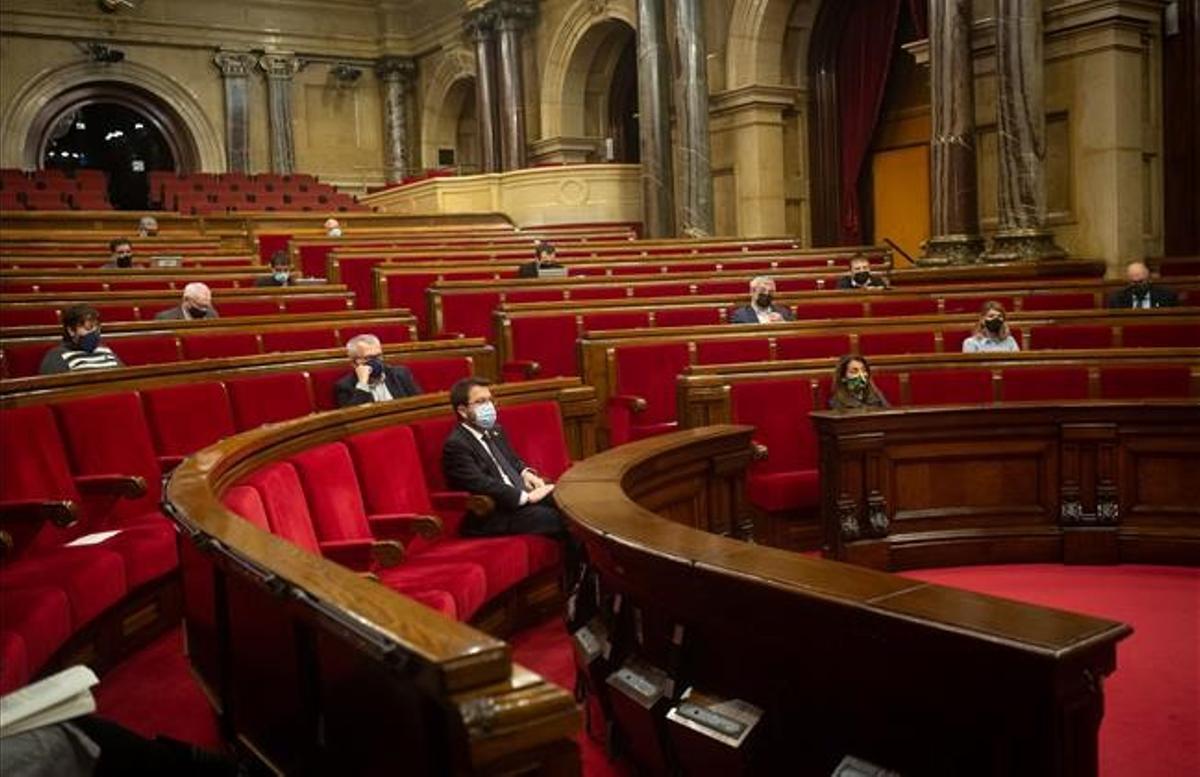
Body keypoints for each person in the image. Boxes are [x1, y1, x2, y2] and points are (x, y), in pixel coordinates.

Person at [441, 377, 568, 539]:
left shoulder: (495, 430)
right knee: (553, 518)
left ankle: (585, 563)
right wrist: (525, 497)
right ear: (462, 411)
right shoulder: (456, 445)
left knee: (569, 504)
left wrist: (525, 473)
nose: (489, 407)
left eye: (490, 400)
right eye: (480, 402)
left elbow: (512, 460)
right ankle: (578, 563)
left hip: (518, 499)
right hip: (495, 512)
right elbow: (480, 484)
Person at [333, 334, 421, 407]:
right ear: (354, 363)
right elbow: (353, 418)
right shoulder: (345, 386)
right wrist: (363, 384)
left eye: (378, 356)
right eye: (368, 358)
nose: (376, 362)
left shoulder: (400, 374)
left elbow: (420, 404)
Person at [39, 305, 124, 375]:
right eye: (88, 328)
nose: (94, 333)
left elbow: (122, 377)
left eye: (97, 328)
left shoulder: (105, 350)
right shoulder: (57, 356)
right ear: (71, 330)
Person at [1106, 260, 1178, 309]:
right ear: (1128, 281)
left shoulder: (1166, 297)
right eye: (1134, 282)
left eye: (1141, 281)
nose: (1137, 285)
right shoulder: (1117, 299)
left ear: (1149, 280)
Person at [729, 276, 796, 323]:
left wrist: (783, 324)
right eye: (762, 290)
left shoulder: (784, 313)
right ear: (752, 291)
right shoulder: (740, 315)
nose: (766, 294)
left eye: (771, 291)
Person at [154, 282, 219, 321]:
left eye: (206, 306)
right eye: (199, 306)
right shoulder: (165, 318)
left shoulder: (212, 314)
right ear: (186, 300)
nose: (203, 310)